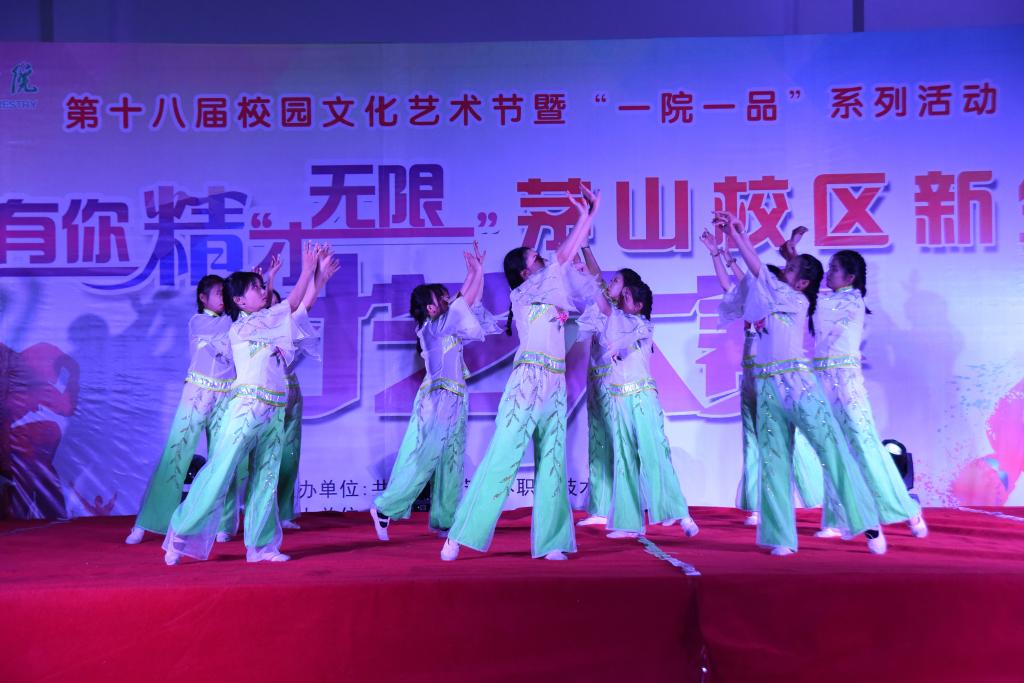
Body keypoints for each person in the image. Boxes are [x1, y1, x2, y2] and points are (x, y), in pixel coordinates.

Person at [441, 187, 603, 561]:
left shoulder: (554, 289)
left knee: (553, 461)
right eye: (535, 256)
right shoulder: (526, 292)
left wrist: (589, 219)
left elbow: (574, 272)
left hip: (556, 382)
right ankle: (460, 533)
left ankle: (551, 541)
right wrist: (585, 216)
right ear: (524, 271)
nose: (543, 257)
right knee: (503, 455)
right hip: (528, 381)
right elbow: (563, 257)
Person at [162, 243, 336, 564]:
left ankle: (261, 546)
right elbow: (292, 303)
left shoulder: (270, 323)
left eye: (261, 286)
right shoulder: (245, 326)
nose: (263, 290)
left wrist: (320, 278)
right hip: (246, 408)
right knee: (220, 471)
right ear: (240, 301)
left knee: (266, 477)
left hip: (274, 410)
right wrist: (306, 270)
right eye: (256, 288)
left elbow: (301, 309)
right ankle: (181, 533)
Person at [370, 243, 500, 539]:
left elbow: (465, 302)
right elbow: (464, 302)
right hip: (439, 397)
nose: (447, 299)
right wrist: (476, 273)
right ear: (430, 308)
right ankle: (385, 508)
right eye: (441, 298)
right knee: (427, 457)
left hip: (456, 396)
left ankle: (444, 519)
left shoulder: (446, 323)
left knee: (451, 459)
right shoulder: (433, 328)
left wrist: (474, 273)